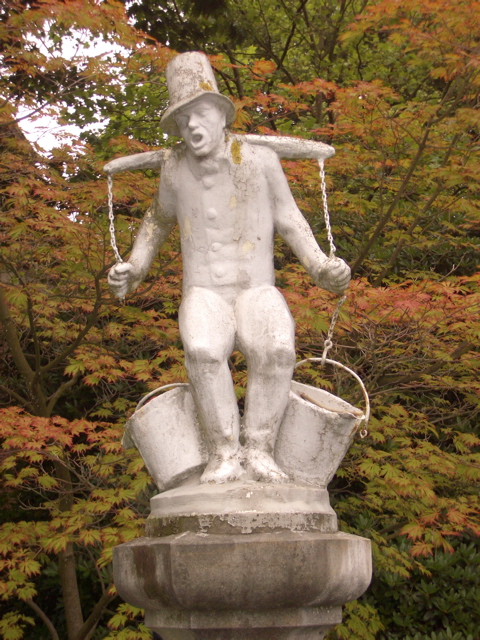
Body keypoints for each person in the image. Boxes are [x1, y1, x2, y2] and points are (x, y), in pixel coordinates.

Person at [107, 52, 351, 484]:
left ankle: (259, 448)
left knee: (277, 350)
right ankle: (223, 451)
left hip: (255, 288)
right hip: (203, 291)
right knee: (202, 351)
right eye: (182, 122)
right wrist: (135, 266)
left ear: (221, 115)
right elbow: (158, 220)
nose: (192, 128)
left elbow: (289, 218)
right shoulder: (173, 169)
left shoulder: (259, 161)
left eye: (199, 115)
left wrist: (318, 266)